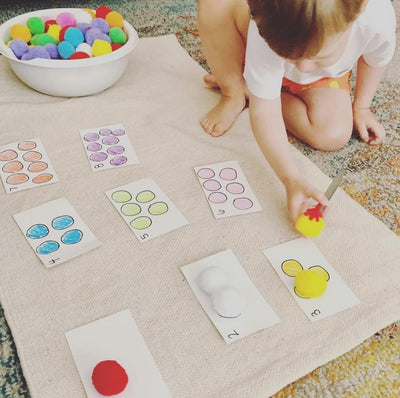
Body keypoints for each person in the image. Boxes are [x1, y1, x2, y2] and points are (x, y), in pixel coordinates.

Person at [197, 0, 396, 226]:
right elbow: (264, 114)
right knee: (215, 4)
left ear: (359, 9)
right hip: (263, 46)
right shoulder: (269, 18)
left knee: (332, 134)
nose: (301, 66)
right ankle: (233, 91)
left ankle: (253, 88)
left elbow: (375, 59)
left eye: (318, 56)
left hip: (322, 79)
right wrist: (290, 178)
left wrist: (362, 106)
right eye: (291, 56)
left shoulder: (377, 18)